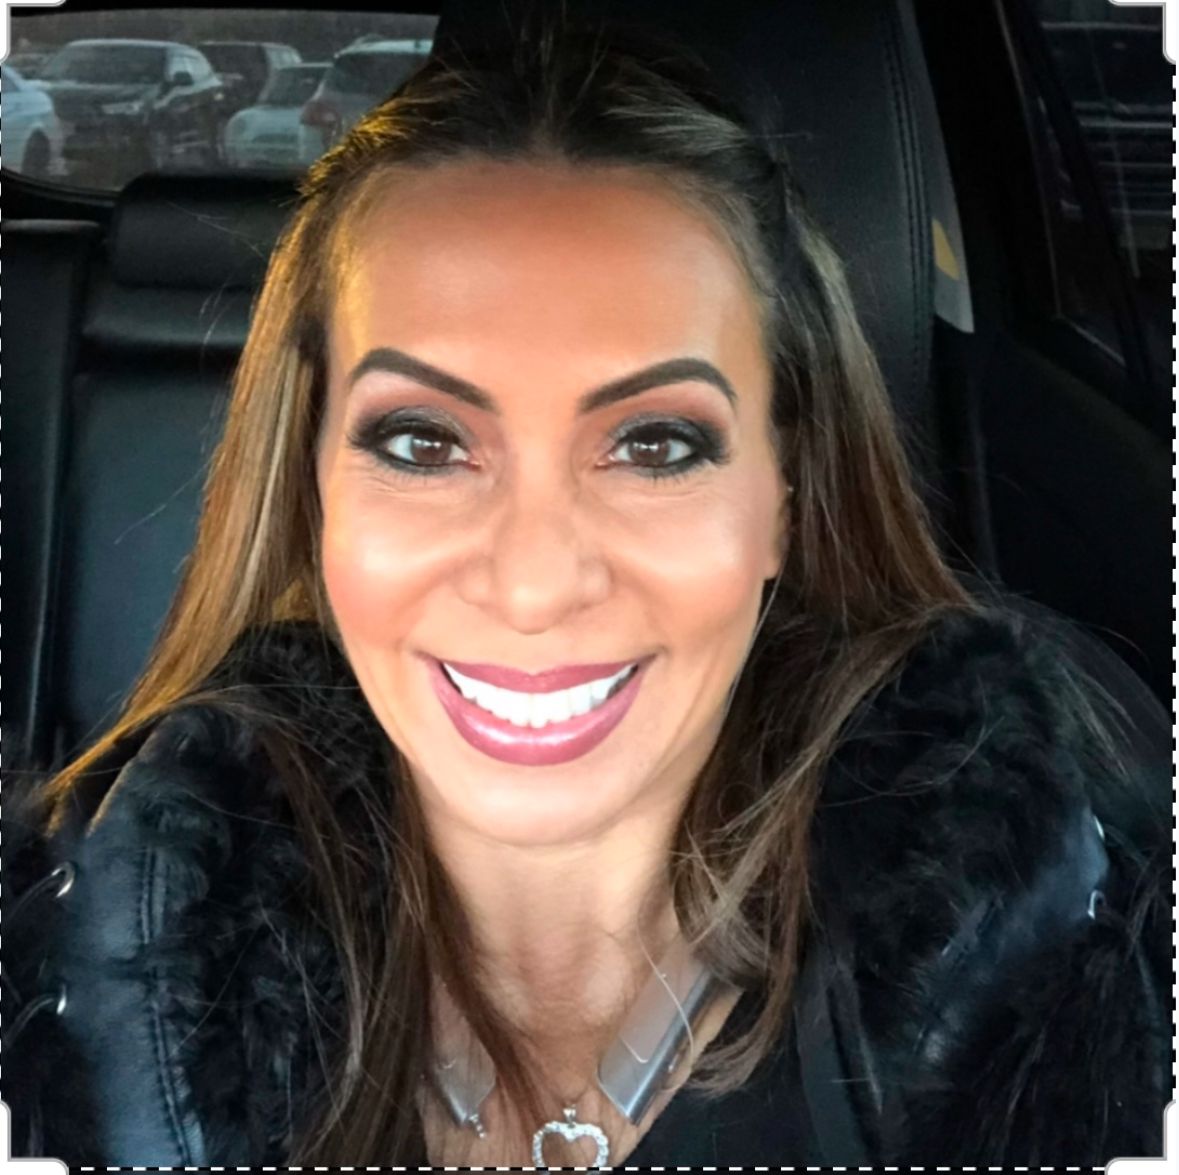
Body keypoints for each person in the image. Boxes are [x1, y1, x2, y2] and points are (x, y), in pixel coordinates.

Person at [2, 14, 1169, 1169]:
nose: (533, 584)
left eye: (655, 444)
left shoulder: (1052, 990)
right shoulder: (84, 1020)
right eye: (422, 442)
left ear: (785, 494)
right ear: (310, 490)